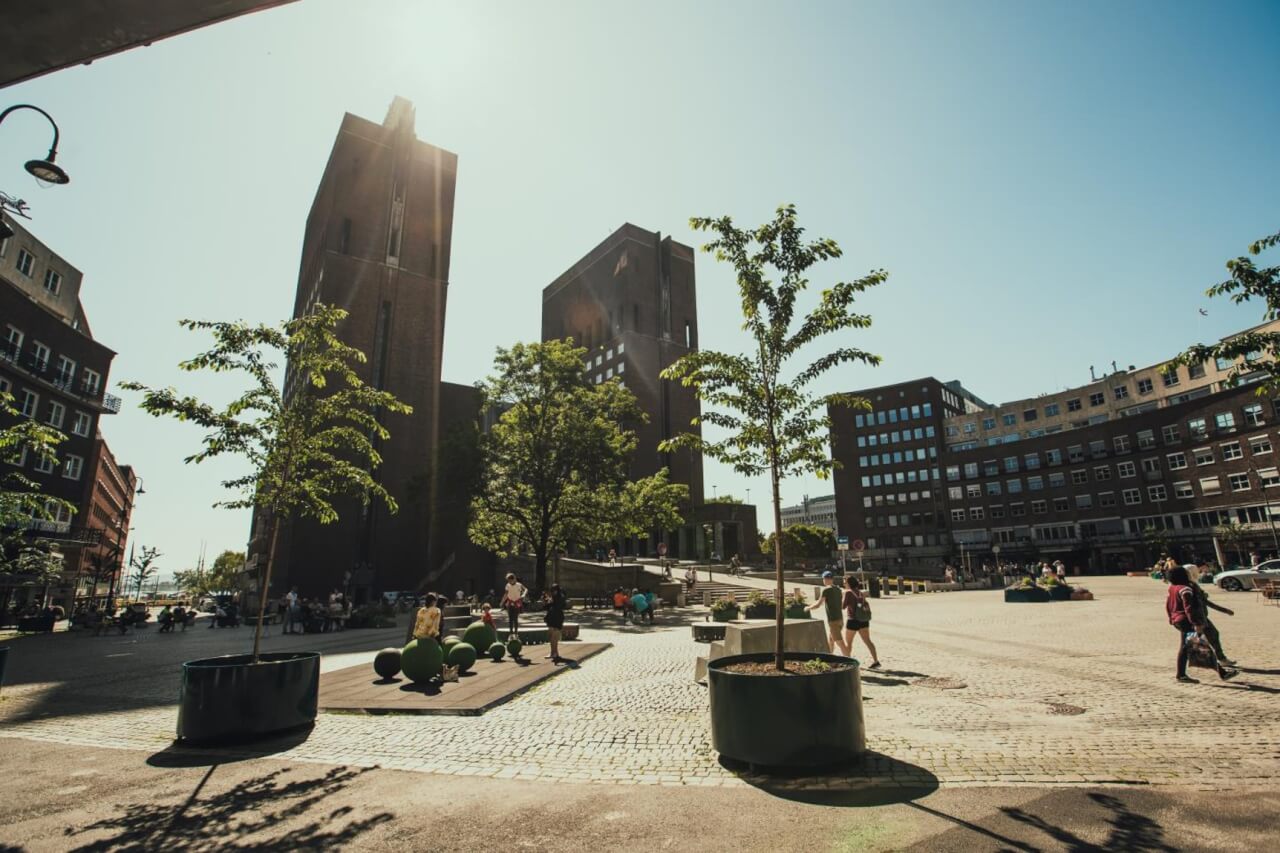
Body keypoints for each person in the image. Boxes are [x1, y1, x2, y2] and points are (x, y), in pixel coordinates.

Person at [1166, 565, 1235, 683]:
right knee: (1197, 648)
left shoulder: (1173, 588)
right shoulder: (1185, 589)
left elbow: (1168, 605)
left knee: (1194, 647)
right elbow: (1189, 608)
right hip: (1188, 622)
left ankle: (1221, 672)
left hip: (1179, 621)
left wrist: (1171, 618)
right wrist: (1196, 623)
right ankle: (1181, 675)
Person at [1185, 566, 1237, 665]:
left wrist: (1224, 610)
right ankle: (1207, 661)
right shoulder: (1189, 587)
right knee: (1197, 641)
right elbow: (1193, 605)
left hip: (1200, 617)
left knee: (1210, 636)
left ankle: (1219, 659)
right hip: (1196, 618)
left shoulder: (1192, 585)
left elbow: (1204, 601)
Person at [842, 575, 881, 669]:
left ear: (848, 583)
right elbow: (865, 604)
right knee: (868, 641)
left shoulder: (848, 593)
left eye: (844, 582)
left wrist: (843, 596)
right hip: (863, 620)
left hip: (853, 620)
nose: (843, 584)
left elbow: (842, 606)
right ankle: (876, 661)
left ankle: (848, 663)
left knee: (849, 643)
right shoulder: (860, 593)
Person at [808, 570, 849, 655]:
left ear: (825, 579)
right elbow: (840, 605)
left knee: (840, 643)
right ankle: (829, 657)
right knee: (831, 640)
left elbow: (818, 604)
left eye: (824, 579)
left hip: (833, 620)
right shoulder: (838, 589)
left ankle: (849, 660)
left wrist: (808, 608)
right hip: (840, 619)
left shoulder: (826, 590)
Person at [542, 584, 567, 662]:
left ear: (557, 590)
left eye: (554, 590)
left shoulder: (561, 597)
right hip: (551, 617)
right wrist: (545, 601)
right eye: (552, 591)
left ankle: (555, 653)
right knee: (550, 636)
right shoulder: (553, 597)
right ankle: (552, 652)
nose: (553, 592)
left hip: (557, 617)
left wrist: (550, 601)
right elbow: (547, 607)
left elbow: (558, 606)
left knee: (554, 637)